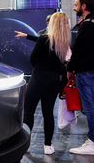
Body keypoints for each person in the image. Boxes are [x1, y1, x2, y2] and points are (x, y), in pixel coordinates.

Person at [15, 13, 71, 155]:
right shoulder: (64, 43)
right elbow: (63, 66)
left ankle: (26, 145)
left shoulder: (44, 40)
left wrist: (40, 68)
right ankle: (48, 145)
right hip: (53, 83)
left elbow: (33, 59)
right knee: (48, 113)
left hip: (38, 80)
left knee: (29, 112)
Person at [67, 0, 94, 155]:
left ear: (84, 6)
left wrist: (70, 69)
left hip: (86, 72)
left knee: (90, 106)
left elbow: (78, 51)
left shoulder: (89, 24)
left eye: (76, 4)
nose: (74, 7)